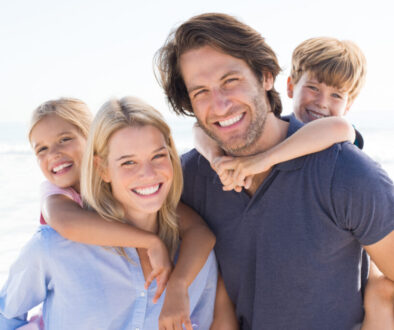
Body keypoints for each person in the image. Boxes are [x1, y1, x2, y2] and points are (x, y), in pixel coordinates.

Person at [155, 13, 394, 329]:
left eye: (231, 81)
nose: (221, 104)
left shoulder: (346, 173)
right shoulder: (189, 177)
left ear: (267, 77)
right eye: (201, 92)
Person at [0, 97, 217, 329]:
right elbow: (7, 315)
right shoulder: (55, 231)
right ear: (101, 167)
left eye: (158, 156)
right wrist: (150, 242)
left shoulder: (192, 256)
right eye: (128, 162)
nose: (147, 174)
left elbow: (199, 230)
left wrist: (178, 283)